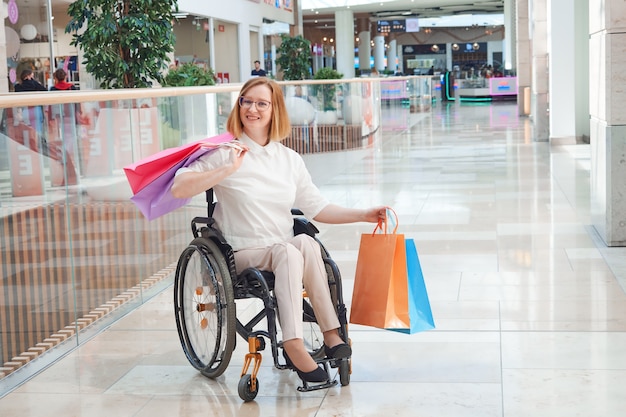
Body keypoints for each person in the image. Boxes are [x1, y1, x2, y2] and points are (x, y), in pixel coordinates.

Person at [171, 77, 386, 383]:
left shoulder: (289, 160)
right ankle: (293, 344)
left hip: (283, 252)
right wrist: (226, 170)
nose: (252, 109)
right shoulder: (225, 153)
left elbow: (318, 208)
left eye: (262, 103)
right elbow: (179, 187)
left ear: (275, 111)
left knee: (306, 244)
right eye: (246, 101)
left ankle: (331, 334)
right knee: (289, 249)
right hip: (240, 253)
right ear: (239, 106)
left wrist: (363, 214)